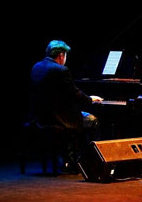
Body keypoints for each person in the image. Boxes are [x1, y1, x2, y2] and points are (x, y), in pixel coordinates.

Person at [30, 40, 102, 170]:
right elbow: (75, 93)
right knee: (93, 121)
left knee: (74, 115)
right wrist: (90, 99)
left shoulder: (37, 67)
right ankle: (87, 161)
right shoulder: (61, 70)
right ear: (61, 55)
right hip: (59, 118)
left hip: (41, 117)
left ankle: (69, 158)